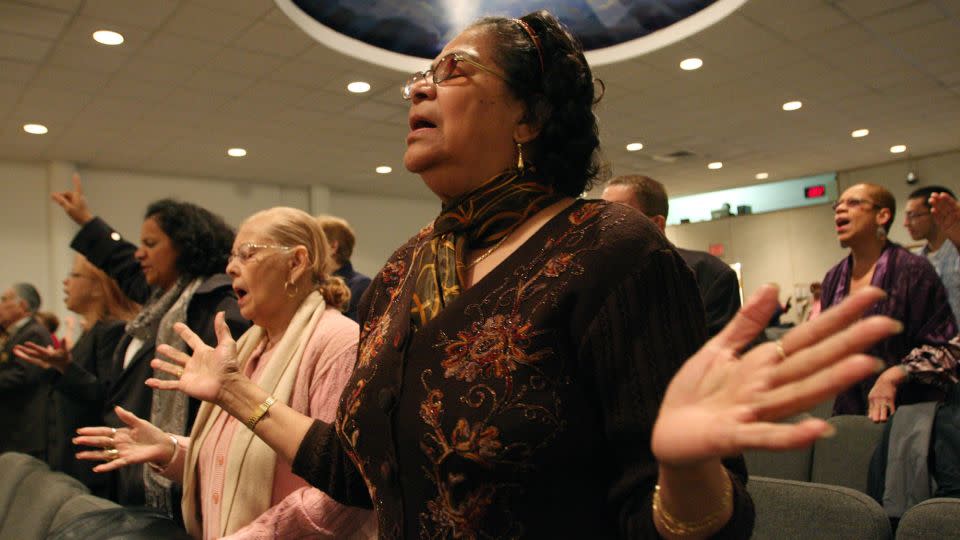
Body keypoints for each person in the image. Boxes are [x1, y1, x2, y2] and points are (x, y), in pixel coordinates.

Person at [135, 11, 899, 539]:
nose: (420, 88)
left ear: (530, 117)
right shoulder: (408, 267)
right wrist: (235, 391)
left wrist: (683, 468)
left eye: (453, 71)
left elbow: (676, 523)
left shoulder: (611, 248)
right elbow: (361, 472)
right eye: (419, 77)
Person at [72, 208, 375, 539]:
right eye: (232, 256)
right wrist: (172, 449)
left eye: (247, 254)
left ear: (297, 262)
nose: (231, 267)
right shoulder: (250, 345)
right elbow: (240, 460)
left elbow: (342, 493)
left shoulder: (337, 342)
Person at [51, 176, 250, 513]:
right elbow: (123, 261)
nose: (140, 253)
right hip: (136, 469)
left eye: (151, 243)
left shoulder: (214, 304)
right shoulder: (165, 298)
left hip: (185, 480)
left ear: (185, 247)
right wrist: (86, 221)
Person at [823, 183, 957, 420]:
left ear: (882, 216)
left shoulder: (912, 269)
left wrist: (894, 375)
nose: (840, 210)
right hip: (850, 413)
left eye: (852, 203)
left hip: (907, 414)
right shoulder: (833, 278)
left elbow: (943, 347)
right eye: (837, 205)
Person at [13, 254, 139, 494]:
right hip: (73, 462)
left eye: (74, 275)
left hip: (93, 470)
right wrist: (54, 368)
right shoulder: (91, 332)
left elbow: (105, 397)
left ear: (97, 288)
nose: (65, 282)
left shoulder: (112, 331)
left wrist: (65, 368)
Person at [602, 175, 741, 337]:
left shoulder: (710, 273)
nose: (605, 224)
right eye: (602, 214)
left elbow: (719, 348)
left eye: (618, 214)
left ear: (656, 224)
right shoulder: (599, 277)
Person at [0, 283, 54, 458]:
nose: (0, 305)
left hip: (24, 427)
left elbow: (23, 375)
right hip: (13, 427)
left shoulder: (34, 333)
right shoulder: (18, 333)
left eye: (4, 300)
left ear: (22, 306)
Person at [905, 186, 960, 320]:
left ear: (937, 213)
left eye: (912, 215)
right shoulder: (913, 260)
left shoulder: (957, 252)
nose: (906, 223)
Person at [315, 215, 372, 321]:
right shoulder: (313, 283)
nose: (308, 248)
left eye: (315, 243)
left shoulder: (361, 286)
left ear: (333, 247)